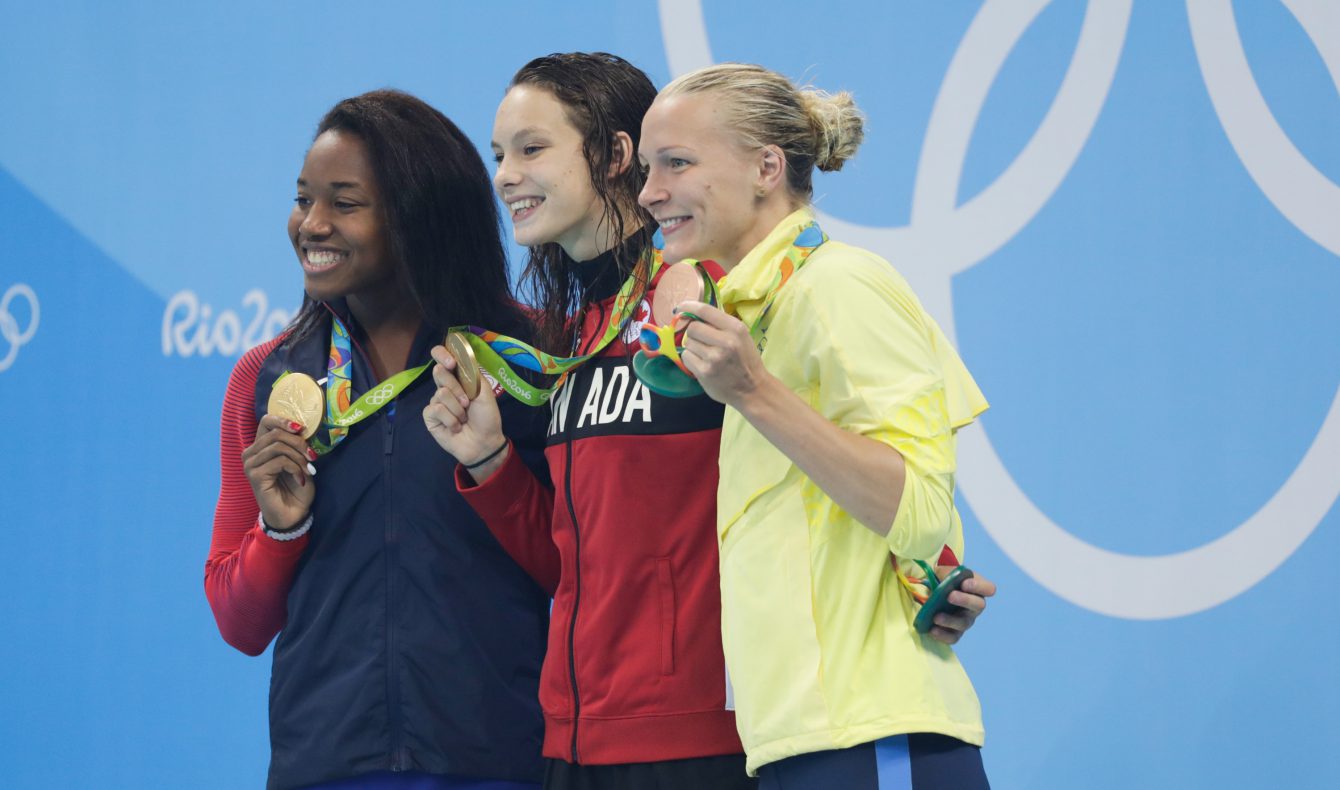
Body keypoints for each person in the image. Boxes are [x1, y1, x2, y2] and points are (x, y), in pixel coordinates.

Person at [423, 53, 994, 790]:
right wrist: (492, 465)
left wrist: (932, 568)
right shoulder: (579, 339)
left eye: (531, 149)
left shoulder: (738, 303)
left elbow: (911, 490)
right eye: (499, 153)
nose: (504, 174)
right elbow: (589, 557)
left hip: (763, 731)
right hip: (637, 737)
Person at [637, 63, 992, 789]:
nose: (649, 192)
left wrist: (756, 393)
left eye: (676, 163)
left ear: (766, 168)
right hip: (799, 742)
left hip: (874, 736)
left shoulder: (840, 284)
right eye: (647, 168)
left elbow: (921, 511)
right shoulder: (753, 310)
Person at [205, 90, 551, 790]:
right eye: (304, 199)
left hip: (497, 763)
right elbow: (238, 624)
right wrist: (281, 530)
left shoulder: (527, 360)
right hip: (328, 767)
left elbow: (575, 573)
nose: (312, 224)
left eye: (345, 202)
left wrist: (494, 468)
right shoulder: (267, 377)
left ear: (419, 217)